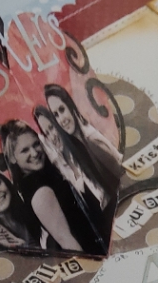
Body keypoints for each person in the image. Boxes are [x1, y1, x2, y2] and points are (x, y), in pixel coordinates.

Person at [2, 120, 104, 255]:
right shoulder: (39, 190)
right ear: (12, 158)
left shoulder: (43, 177)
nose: (34, 153)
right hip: (89, 252)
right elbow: (65, 240)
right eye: (24, 150)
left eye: (36, 144)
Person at [34, 105, 110, 249]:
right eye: (46, 133)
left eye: (51, 128)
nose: (52, 136)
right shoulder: (62, 172)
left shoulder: (84, 148)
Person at [44, 84, 123, 199]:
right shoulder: (75, 144)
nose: (62, 119)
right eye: (56, 115)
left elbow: (121, 173)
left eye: (62, 110)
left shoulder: (91, 139)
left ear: (70, 106)